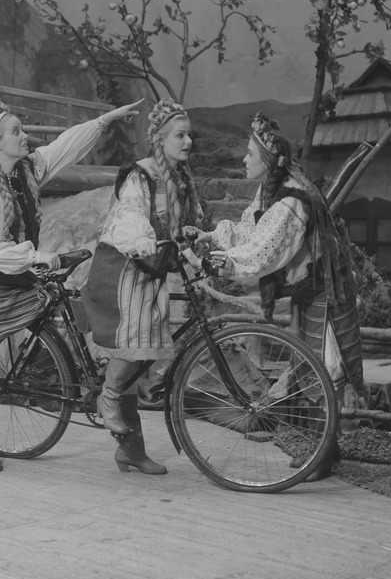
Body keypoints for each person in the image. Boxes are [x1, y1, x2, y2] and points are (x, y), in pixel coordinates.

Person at [0, 96, 143, 471]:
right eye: (16, 131)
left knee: (55, 303)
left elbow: (64, 146)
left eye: (22, 128)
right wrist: (35, 257)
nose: (25, 135)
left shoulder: (26, 169)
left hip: (11, 272)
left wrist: (105, 120)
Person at [188, 111, 364, 404]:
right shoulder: (271, 189)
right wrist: (212, 237)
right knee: (312, 358)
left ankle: (336, 434)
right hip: (311, 285)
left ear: (268, 161)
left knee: (330, 361)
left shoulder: (291, 201)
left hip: (326, 287)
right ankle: (322, 434)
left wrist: (209, 262)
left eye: (249, 154)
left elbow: (260, 254)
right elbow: (252, 229)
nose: (244, 160)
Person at [81, 98, 202, 475]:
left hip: (150, 270)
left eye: (189, 136)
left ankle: (130, 450)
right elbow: (132, 213)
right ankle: (109, 397)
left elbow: (183, 226)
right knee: (139, 345)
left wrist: (195, 243)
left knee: (146, 351)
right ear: (160, 140)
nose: (187, 142)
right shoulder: (141, 175)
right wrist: (144, 237)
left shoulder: (180, 180)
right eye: (180, 136)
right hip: (124, 267)